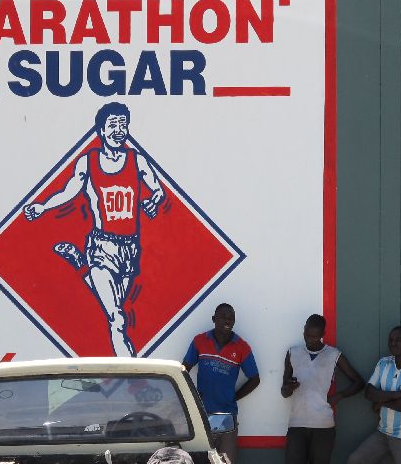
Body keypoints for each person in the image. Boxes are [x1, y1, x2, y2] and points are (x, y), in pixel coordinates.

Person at [23, 102, 165, 357]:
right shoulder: (88, 162)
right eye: (113, 125)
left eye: (123, 125)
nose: (119, 131)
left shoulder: (137, 160)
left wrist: (153, 201)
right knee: (117, 318)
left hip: (129, 249)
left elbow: (158, 190)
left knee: (114, 306)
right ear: (101, 130)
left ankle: (80, 264)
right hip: (101, 246)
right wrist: (42, 207)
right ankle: (129, 371)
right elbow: (69, 191)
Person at [182, 303, 260, 464]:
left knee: (226, 461)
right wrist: (192, 397)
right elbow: (184, 370)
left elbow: (255, 379)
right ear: (214, 319)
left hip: (227, 418)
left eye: (231, 318)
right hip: (202, 415)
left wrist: (233, 397)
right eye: (223, 317)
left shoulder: (242, 347)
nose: (227, 320)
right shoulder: (199, 341)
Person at [281, 313, 364, 464]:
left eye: (314, 336)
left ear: (322, 334)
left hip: (323, 425)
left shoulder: (333, 355)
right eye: (307, 335)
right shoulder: (293, 353)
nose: (309, 339)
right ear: (304, 329)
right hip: (297, 424)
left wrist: (339, 396)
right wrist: (289, 387)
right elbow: (284, 392)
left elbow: (359, 382)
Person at [346, 326, 401, 464]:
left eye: (398, 340)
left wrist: (381, 403)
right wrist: (395, 395)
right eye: (390, 340)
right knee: (355, 460)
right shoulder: (383, 363)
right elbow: (369, 392)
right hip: (383, 432)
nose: (393, 343)